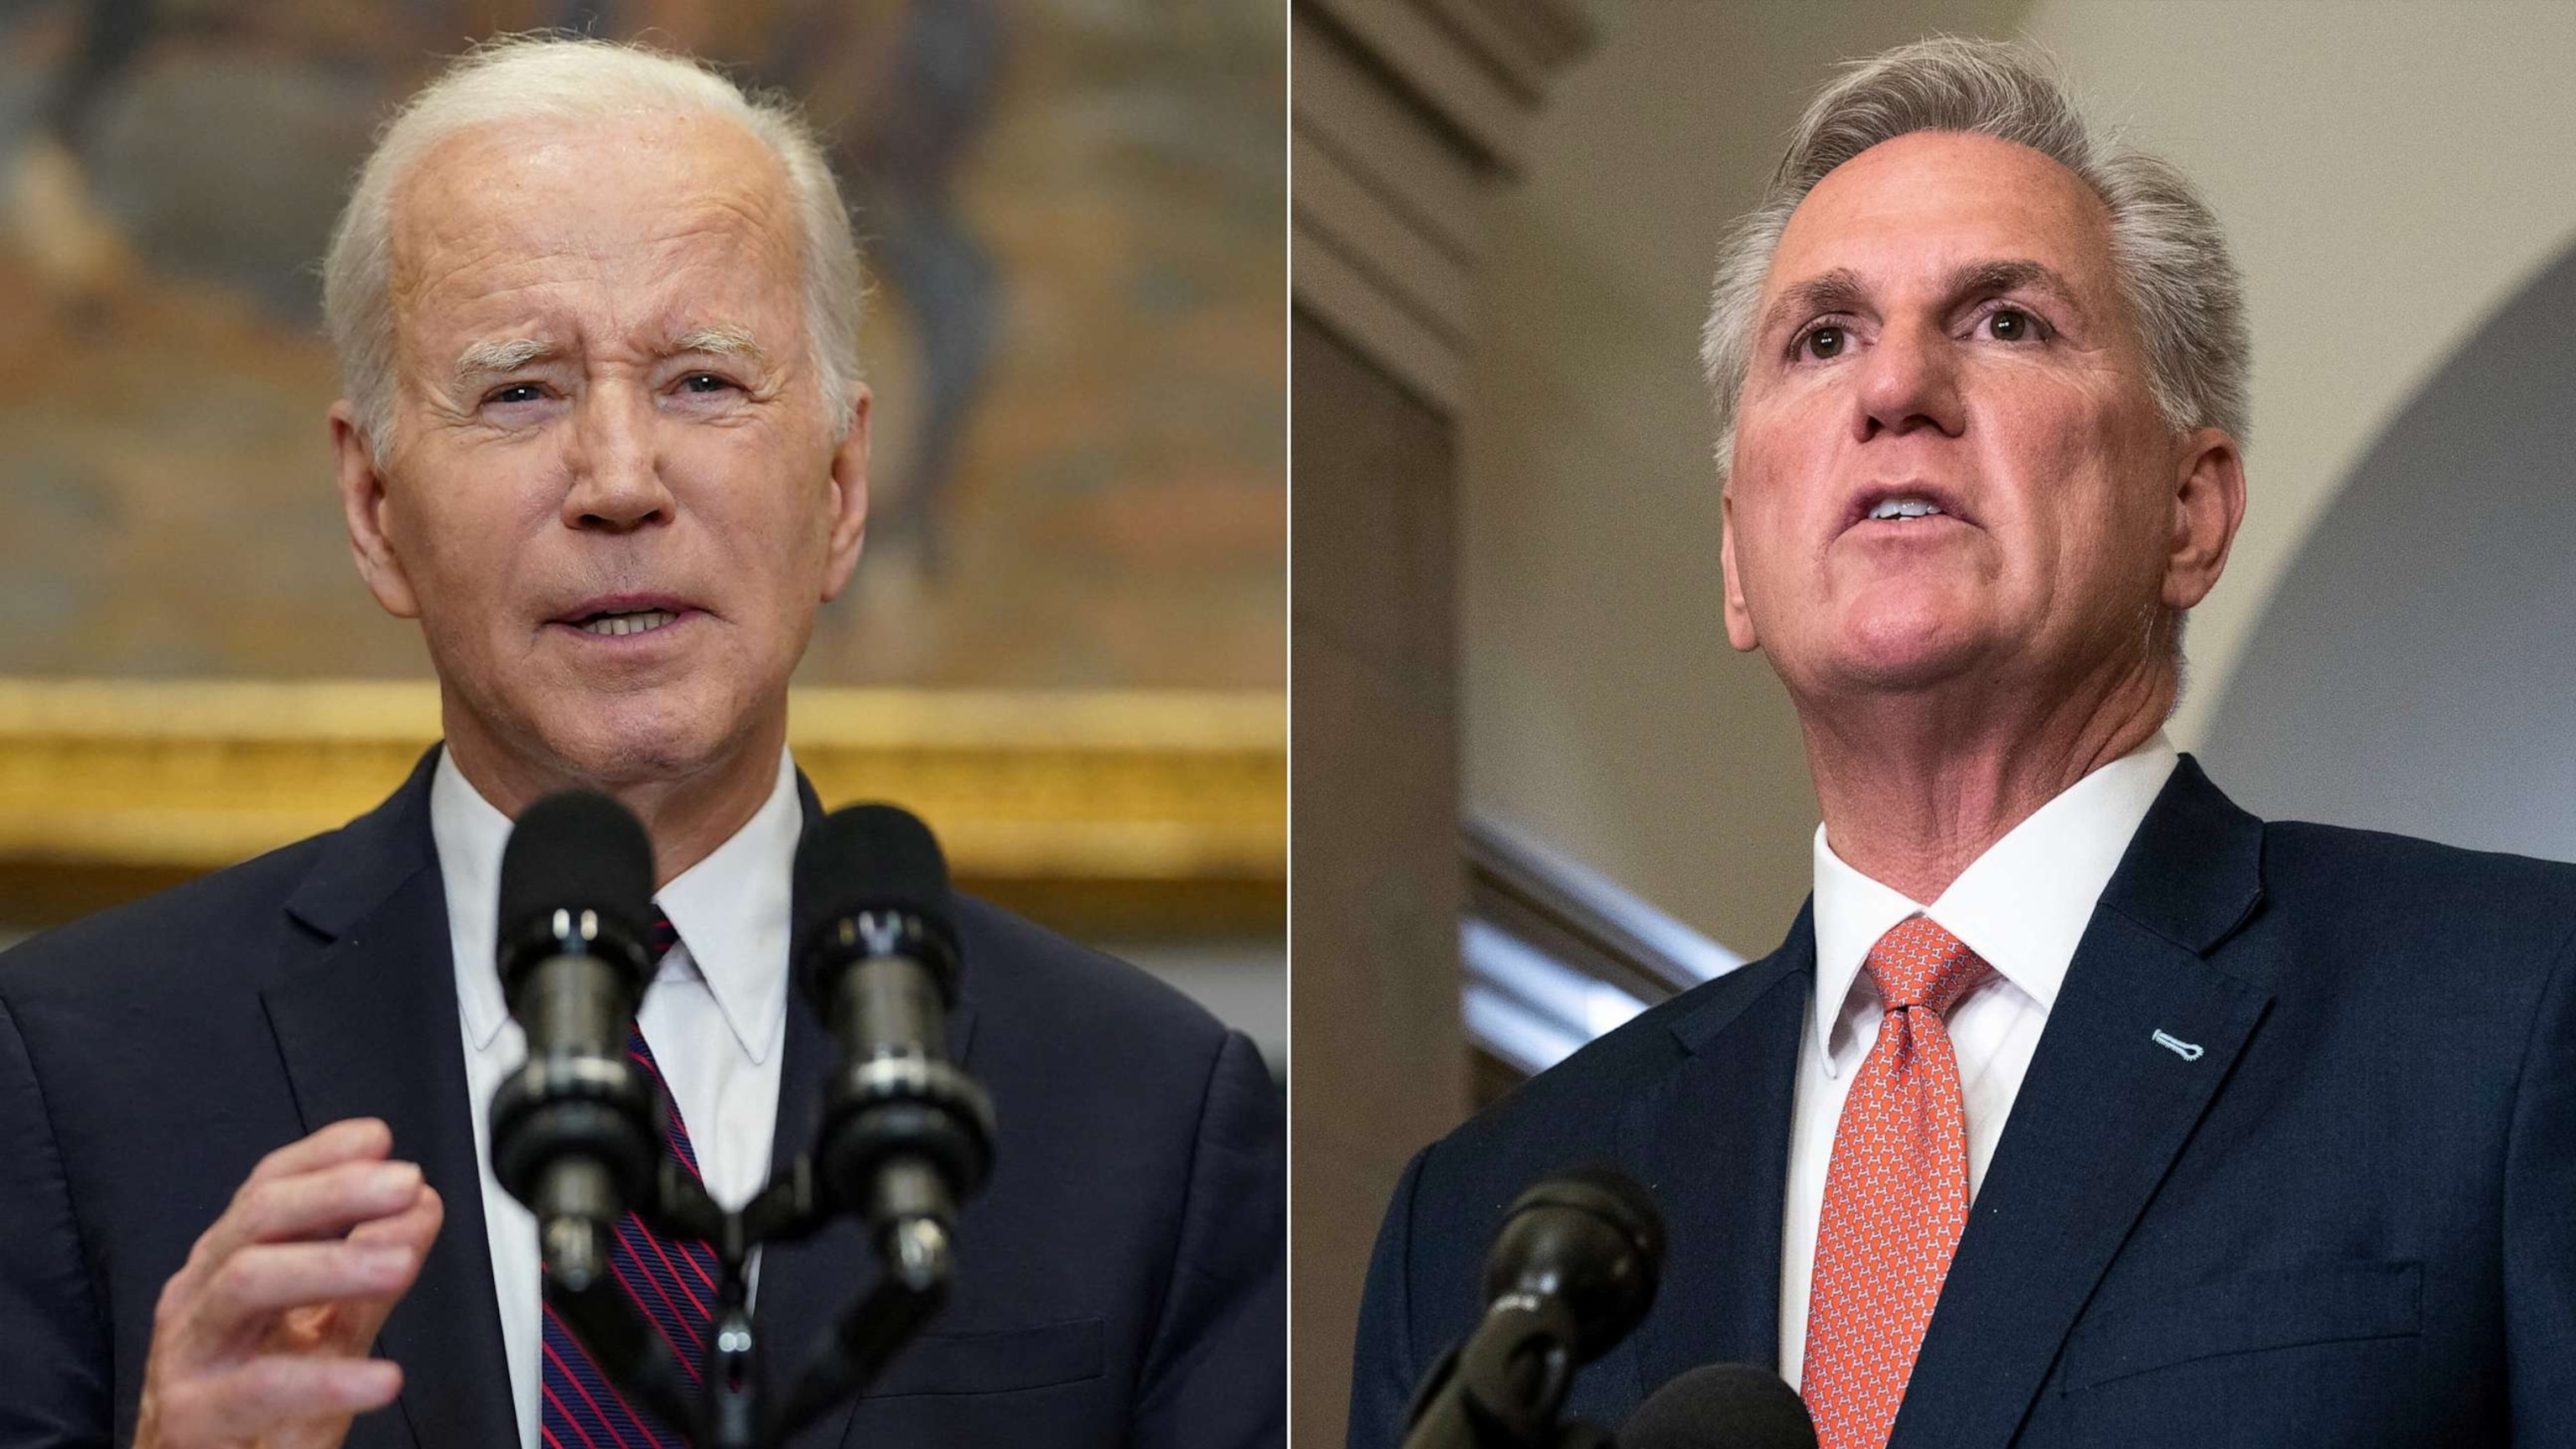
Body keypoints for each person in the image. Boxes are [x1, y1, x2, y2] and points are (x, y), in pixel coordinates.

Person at [0, 36, 1282, 1449]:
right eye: (521, 392)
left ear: (845, 488)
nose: (619, 481)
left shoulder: (1153, 1112)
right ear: (374, 507)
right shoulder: (70, 1077)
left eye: (703, 385)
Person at [1348, 36, 2576, 1449]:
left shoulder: (2513, 1011)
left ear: (2191, 511)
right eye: (1822, 339)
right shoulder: (1487, 1218)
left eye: (2005, 323)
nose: (1897, 391)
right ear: (1739, 565)